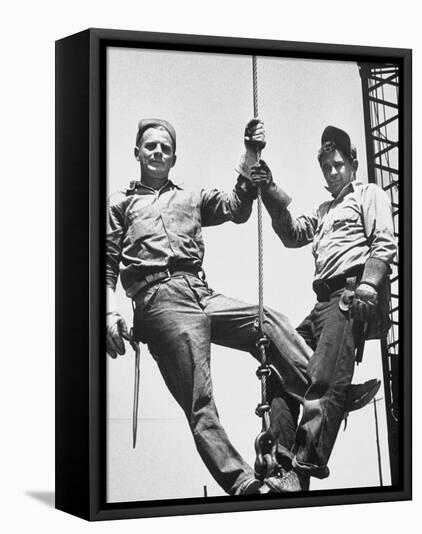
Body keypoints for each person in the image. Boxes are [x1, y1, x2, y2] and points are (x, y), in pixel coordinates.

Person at [106, 118, 317, 496]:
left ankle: (325, 391)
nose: (156, 152)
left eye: (164, 148)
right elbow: (103, 267)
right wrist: (109, 314)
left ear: (174, 158)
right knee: (200, 401)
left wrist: (250, 152)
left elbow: (237, 208)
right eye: (149, 146)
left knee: (265, 320)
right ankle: (243, 484)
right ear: (136, 151)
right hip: (159, 300)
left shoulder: (191, 197)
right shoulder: (120, 204)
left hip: (201, 290)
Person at [244, 124, 397, 491]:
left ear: (353, 163)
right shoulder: (324, 209)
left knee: (324, 379)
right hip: (320, 304)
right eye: (326, 167)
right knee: (280, 369)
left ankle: (305, 464)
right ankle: (280, 461)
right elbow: (292, 234)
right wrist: (267, 189)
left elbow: (384, 244)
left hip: (350, 296)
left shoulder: (369, 194)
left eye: (338, 165)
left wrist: (367, 284)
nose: (332, 172)